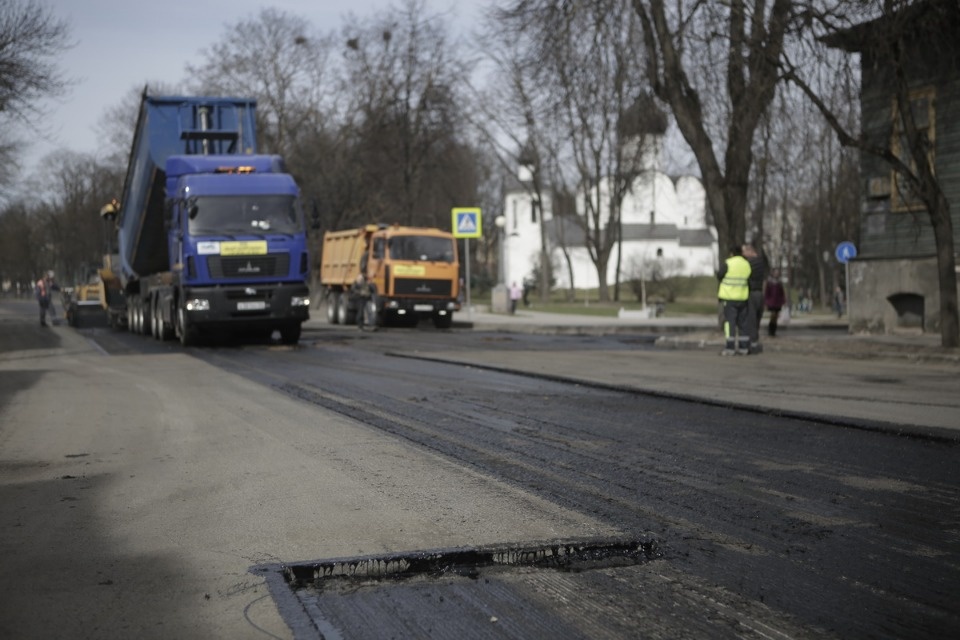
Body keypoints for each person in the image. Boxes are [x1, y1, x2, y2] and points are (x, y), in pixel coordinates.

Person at [717, 246, 752, 356]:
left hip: (729, 298)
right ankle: (744, 348)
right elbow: (749, 278)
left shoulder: (728, 263)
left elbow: (719, 275)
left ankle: (730, 348)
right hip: (743, 298)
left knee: (730, 323)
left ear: (732, 253)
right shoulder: (746, 264)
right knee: (743, 324)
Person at [742, 243, 765, 354]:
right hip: (760, 293)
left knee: (751, 320)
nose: (743, 254)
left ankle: (752, 345)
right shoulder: (761, 262)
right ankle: (754, 342)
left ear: (750, 251)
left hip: (751, 293)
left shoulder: (749, 263)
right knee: (756, 320)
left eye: (744, 251)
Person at [763, 268, 787, 337]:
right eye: (775, 272)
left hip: (777, 302)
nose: (776, 274)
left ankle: (774, 331)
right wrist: (766, 301)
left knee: (776, 317)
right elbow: (767, 292)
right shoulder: (769, 282)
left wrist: (783, 301)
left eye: (777, 273)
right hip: (771, 301)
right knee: (773, 316)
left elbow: (781, 292)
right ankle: (770, 330)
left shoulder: (779, 282)